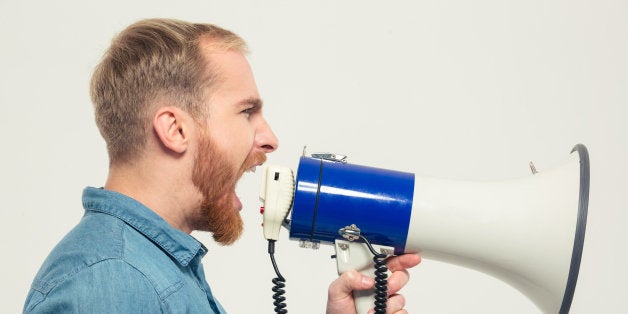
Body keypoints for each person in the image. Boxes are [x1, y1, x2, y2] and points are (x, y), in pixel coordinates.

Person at [23, 18, 421, 313]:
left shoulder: (152, 269)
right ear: (175, 129)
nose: (269, 139)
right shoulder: (111, 282)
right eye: (246, 111)